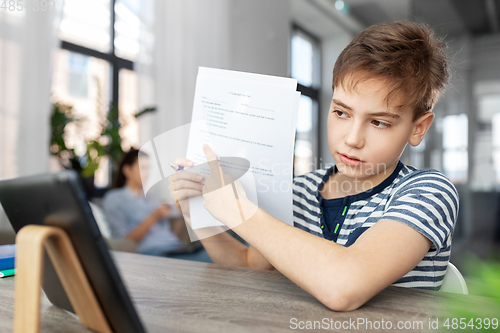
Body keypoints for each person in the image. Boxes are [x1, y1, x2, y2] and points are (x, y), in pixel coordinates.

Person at [169, 21, 458, 311]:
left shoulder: (429, 192)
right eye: (341, 112)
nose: (352, 139)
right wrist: (197, 214)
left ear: (418, 128)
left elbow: (344, 286)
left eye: (378, 122)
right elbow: (250, 267)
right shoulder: (299, 190)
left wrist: (239, 211)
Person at [103, 149, 185, 256]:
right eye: (143, 168)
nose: (147, 174)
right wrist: (154, 217)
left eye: (148, 168)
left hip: (177, 247)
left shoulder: (152, 198)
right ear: (128, 170)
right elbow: (124, 243)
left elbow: (177, 217)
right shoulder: (114, 199)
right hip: (156, 253)